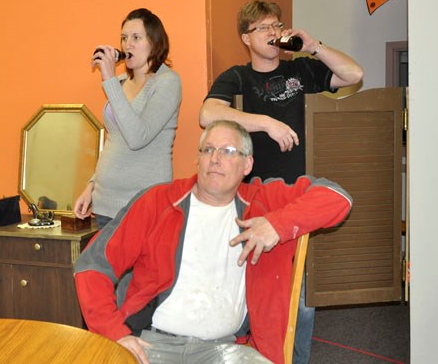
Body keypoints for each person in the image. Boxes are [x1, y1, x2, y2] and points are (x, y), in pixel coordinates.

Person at [74, 120, 352, 364]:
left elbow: (337, 197)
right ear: (198, 159)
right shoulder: (158, 201)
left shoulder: (263, 202)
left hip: (227, 350)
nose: (215, 158)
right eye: (208, 149)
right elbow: (93, 265)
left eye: (228, 151)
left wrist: (277, 225)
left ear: (247, 164)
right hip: (153, 345)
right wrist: (115, 333)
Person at [199, 0, 363, 364]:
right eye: (263, 28)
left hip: (296, 201)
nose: (273, 33)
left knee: (298, 303)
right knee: (245, 298)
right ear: (246, 37)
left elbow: (354, 74)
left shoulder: (302, 70)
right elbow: (207, 113)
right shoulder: (237, 77)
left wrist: (314, 47)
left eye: (277, 25)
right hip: (251, 200)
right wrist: (266, 122)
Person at [73, 8, 182, 229]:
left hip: (144, 207)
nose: (127, 45)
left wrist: (109, 80)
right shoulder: (120, 82)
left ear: (154, 42)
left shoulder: (167, 83)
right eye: (124, 38)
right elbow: (116, 141)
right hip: (105, 206)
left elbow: (137, 137)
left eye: (136, 37)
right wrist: (92, 186)